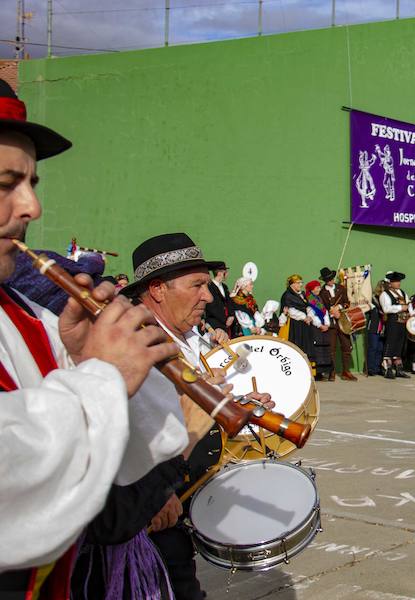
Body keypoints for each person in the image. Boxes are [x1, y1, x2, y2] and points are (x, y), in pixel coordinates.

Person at [0, 79, 185, 595]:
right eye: (5, 184)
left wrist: (88, 360)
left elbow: (113, 479)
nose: (31, 207)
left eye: (32, 183)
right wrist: (103, 376)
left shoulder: (26, 314)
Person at [112, 233, 273, 600]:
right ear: (157, 289)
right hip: (150, 517)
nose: (207, 296)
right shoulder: (134, 344)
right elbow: (123, 429)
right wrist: (154, 494)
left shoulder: (186, 338)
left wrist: (242, 403)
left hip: (179, 500)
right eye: (197, 285)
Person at [319, 266, 356, 381]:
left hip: (343, 321)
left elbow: (346, 303)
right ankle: (332, 372)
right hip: (330, 323)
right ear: (325, 280)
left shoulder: (341, 288)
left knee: (346, 347)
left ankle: (346, 371)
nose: (331, 280)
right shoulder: (321, 292)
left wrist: (338, 308)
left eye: (332, 278)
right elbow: (321, 308)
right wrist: (330, 312)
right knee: (331, 349)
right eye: (329, 279)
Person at [379, 271, 411, 379]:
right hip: (392, 322)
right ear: (390, 283)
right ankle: (387, 368)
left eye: (399, 281)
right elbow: (386, 309)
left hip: (402, 322)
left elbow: (408, 304)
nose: (398, 283)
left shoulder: (403, 293)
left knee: (399, 344)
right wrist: (400, 308)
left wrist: (411, 313)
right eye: (396, 281)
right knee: (390, 344)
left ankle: (399, 369)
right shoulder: (385, 294)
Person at [305, 280, 334, 381]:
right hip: (316, 328)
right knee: (317, 349)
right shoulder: (310, 299)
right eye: (317, 287)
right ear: (312, 289)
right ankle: (317, 373)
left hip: (323, 327)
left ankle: (323, 371)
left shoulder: (319, 298)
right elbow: (311, 314)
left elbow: (324, 311)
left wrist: (327, 324)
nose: (319, 289)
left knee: (324, 348)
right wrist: (320, 325)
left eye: (319, 287)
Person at [280, 274, 313, 359]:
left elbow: (307, 306)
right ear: (292, 284)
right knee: (297, 346)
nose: (300, 285)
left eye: (301, 282)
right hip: (294, 326)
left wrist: (309, 316)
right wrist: (304, 317)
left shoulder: (302, 294)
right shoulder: (287, 295)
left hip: (304, 324)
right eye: (298, 283)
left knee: (306, 347)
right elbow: (290, 310)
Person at [204, 262, 237, 337]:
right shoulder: (209, 287)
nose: (227, 274)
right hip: (215, 324)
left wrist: (231, 316)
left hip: (227, 324)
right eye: (225, 272)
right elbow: (211, 307)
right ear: (220, 273)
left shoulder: (224, 287)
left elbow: (229, 302)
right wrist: (224, 320)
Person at [365, 279, 386, 376]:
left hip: (383, 328)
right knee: (373, 348)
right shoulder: (373, 299)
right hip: (374, 326)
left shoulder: (386, 299)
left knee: (380, 349)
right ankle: (370, 368)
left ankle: (377, 367)